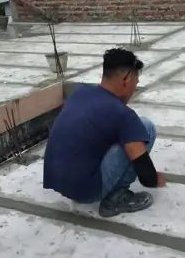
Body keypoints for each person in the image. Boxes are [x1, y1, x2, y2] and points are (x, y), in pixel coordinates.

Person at [43, 48, 167, 217]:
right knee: (145, 128)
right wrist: (156, 179)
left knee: (118, 132)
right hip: (86, 191)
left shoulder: (80, 92)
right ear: (127, 80)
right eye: (136, 83)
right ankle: (116, 198)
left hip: (58, 182)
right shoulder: (123, 114)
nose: (134, 89)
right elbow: (147, 178)